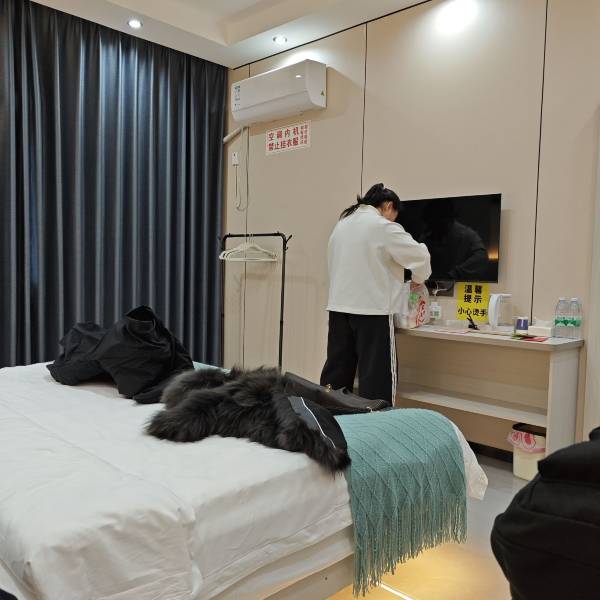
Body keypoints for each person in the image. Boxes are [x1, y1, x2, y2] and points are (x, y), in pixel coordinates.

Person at [320, 183, 431, 405]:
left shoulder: (342, 225)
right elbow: (421, 258)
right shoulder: (382, 227)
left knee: (336, 377)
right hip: (373, 312)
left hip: (338, 309)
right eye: (394, 215)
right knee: (377, 381)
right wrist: (418, 281)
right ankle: (377, 425)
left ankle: (327, 419)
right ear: (388, 206)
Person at [421, 198, 489, 281]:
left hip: (458, 285)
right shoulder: (426, 236)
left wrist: (455, 274)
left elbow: (481, 258)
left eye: (436, 221)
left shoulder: (468, 235)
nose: (432, 226)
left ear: (447, 219)